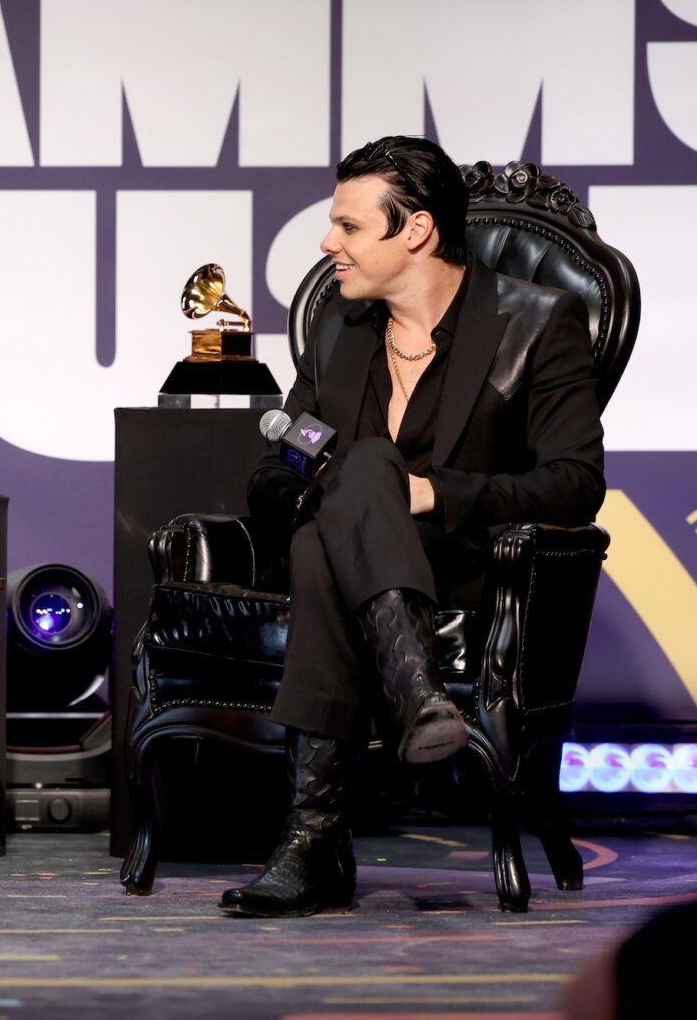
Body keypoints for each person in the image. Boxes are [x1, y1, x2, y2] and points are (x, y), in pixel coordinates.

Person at [218, 135, 605, 918]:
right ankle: (413, 690)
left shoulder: (536, 321)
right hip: (349, 561)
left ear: (418, 231)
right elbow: (272, 470)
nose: (329, 244)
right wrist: (339, 502)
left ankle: (312, 842)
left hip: (471, 566)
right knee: (342, 499)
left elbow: (575, 485)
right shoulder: (339, 330)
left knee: (361, 479)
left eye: (350, 226)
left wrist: (434, 495)